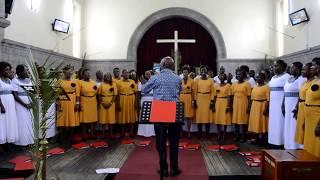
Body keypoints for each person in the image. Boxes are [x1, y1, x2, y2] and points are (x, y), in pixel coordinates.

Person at [142, 56, 182, 177]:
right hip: (174, 112)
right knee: (174, 142)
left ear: (162, 66)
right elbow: (180, 90)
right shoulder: (177, 78)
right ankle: (174, 169)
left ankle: (164, 168)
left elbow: (144, 89)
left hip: (159, 112)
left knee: (161, 142)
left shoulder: (156, 77)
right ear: (172, 66)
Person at [268, 60, 290, 148]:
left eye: (276, 66)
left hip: (281, 102)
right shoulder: (273, 77)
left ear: (282, 67)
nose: (274, 68)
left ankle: (281, 142)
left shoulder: (287, 76)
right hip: (273, 102)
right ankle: (273, 141)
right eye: (273, 66)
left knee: (280, 121)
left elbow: (287, 90)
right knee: (273, 122)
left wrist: (283, 103)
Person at [283, 62, 305, 149]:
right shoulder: (290, 78)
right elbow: (286, 92)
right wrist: (283, 104)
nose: (290, 69)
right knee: (288, 124)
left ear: (297, 69)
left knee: (294, 125)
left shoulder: (301, 79)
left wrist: (297, 107)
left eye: (292, 68)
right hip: (287, 104)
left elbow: (301, 95)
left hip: (294, 104)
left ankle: (295, 145)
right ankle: (288, 144)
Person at [56, 65, 80, 142]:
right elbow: (57, 93)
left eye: (71, 72)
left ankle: (71, 137)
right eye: (68, 72)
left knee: (72, 118)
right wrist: (58, 103)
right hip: (62, 102)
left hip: (72, 101)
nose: (69, 73)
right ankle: (62, 137)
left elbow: (78, 93)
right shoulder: (59, 81)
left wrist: (77, 103)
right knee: (62, 119)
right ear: (64, 72)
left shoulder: (75, 81)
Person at [12, 65, 33, 146]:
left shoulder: (29, 81)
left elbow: (32, 92)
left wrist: (32, 102)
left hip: (30, 104)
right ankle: (21, 142)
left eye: (28, 70)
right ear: (20, 72)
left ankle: (29, 141)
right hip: (20, 105)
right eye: (26, 70)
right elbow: (15, 94)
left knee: (29, 122)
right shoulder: (15, 81)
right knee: (22, 122)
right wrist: (24, 104)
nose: (28, 72)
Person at [193, 65, 215, 138]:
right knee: (200, 117)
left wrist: (212, 101)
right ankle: (199, 133)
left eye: (204, 70)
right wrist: (195, 101)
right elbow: (195, 91)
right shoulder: (197, 81)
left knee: (207, 117)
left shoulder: (211, 80)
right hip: (199, 99)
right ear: (200, 72)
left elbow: (212, 91)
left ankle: (207, 134)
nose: (203, 72)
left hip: (208, 99)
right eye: (202, 70)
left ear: (207, 72)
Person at [304, 57, 320, 157]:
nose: (311, 68)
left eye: (313, 65)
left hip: (317, 117)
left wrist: (319, 124)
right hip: (309, 116)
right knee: (310, 142)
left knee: (317, 142)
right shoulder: (314, 80)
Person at [0, 62, 19, 147]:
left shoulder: (9, 80)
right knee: (2, 123)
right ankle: (1, 144)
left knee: (9, 122)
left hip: (10, 103)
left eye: (9, 69)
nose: (8, 71)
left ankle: (8, 143)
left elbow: (14, 91)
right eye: (6, 70)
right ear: (1, 70)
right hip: (2, 103)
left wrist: (13, 78)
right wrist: (2, 106)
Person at [248, 73, 269, 145]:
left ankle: (263, 139)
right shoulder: (255, 86)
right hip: (254, 105)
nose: (257, 79)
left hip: (262, 105)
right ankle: (256, 138)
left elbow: (268, 99)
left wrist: (266, 109)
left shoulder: (266, 87)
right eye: (256, 77)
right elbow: (251, 97)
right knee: (255, 122)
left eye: (259, 77)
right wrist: (250, 106)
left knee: (262, 122)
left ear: (263, 78)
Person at [295, 63, 313, 145]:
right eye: (302, 69)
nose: (302, 71)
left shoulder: (313, 83)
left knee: (305, 127)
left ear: (310, 70)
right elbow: (300, 96)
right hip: (301, 106)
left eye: (304, 70)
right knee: (300, 128)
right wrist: (296, 108)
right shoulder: (304, 82)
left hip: (307, 107)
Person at [231, 70, 251, 142]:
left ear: (244, 76)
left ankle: (243, 136)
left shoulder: (247, 84)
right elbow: (232, 95)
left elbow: (249, 96)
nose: (239, 76)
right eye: (238, 74)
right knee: (236, 121)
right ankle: (237, 136)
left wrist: (249, 106)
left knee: (243, 121)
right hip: (236, 103)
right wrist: (231, 105)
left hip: (244, 103)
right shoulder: (234, 84)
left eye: (241, 74)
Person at [117, 69, 138, 137]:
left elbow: (136, 92)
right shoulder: (118, 82)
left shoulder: (132, 81)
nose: (126, 74)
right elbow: (117, 94)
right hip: (122, 99)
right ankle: (122, 133)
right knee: (122, 116)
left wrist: (136, 102)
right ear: (122, 74)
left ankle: (131, 132)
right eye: (125, 73)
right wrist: (118, 103)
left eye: (127, 73)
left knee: (131, 116)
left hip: (131, 99)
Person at [79, 69, 98, 138]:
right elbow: (78, 93)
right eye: (86, 73)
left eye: (89, 73)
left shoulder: (93, 82)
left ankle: (92, 134)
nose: (88, 74)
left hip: (93, 101)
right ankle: (84, 135)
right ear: (83, 75)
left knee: (92, 119)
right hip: (84, 100)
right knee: (84, 119)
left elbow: (97, 92)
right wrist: (79, 103)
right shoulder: (80, 82)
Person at [98, 73, 118, 137]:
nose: (108, 77)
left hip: (111, 103)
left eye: (109, 76)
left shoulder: (113, 84)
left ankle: (111, 133)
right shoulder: (101, 85)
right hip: (103, 103)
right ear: (104, 77)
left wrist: (111, 103)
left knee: (111, 119)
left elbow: (115, 95)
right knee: (103, 118)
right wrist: (103, 103)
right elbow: (99, 95)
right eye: (106, 76)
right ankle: (103, 133)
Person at [214, 73, 232, 141]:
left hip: (225, 102)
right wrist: (214, 105)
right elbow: (215, 96)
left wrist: (228, 106)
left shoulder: (228, 86)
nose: (221, 77)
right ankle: (219, 133)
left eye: (223, 76)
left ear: (225, 78)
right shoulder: (216, 86)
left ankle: (224, 133)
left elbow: (229, 96)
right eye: (220, 76)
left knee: (225, 118)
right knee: (218, 118)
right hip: (218, 102)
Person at [137, 70, 155, 137]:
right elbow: (138, 94)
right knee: (143, 115)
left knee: (152, 116)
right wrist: (138, 102)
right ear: (144, 75)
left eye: (149, 74)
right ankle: (142, 132)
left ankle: (152, 132)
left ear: (151, 75)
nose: (147, 75)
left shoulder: (153, 82)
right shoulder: (140, 83)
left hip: (152, 100)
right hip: (144, 99)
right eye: (146, 74)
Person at [179, 67, 194, 138]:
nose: (185, 73)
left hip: (189, 98)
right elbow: (178, 90)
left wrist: (193, 100)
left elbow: (193, 92)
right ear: (182, 73)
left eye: (186, 72)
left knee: (188, 116)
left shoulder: (191, 81)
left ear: (188, 73)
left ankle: (189, 132)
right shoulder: (179, 80)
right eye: (184, 72)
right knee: (181, 116)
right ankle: (181, 132)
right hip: (181, 98)